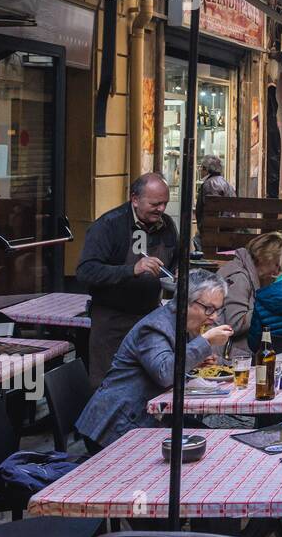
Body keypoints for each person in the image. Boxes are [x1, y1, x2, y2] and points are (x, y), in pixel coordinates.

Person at [75, 270, 234, 450]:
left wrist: (196, 360)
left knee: (211, 441)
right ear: (185, 301)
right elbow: (164, 373)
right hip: (115, 425)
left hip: (149, 417)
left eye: (217, 310)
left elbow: (173, 363)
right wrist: (205, 342)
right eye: (209, 309)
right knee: (199, 447)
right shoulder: (154, 327)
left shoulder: (182, 324)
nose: (214, 317)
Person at [76, 173, 179, 387]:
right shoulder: (108, 226)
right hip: (112, 321)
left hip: (150, 318)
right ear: (134, 199)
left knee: (148, 383)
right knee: (109, 385)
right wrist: (131, 269)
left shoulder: (167, 225)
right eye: (155, 203)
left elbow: (175, 261)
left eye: (164, 203)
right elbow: (86, 271)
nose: (161, 209)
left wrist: (176, 274)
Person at [217, 231, 282, 353]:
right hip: (232, 357)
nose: (276, 272)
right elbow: (235, 323)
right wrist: (267, 307)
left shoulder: (248, 274)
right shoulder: (239, 277)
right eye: (277, 265)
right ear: (264, 257)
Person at [194, 155, 235, 252]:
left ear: (206, 169)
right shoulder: (226, 184)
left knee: (196, 239)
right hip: (229, 231)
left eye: (201, 168)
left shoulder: (209, 184)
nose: (200, 170)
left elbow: (211, 213)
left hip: (216, 233)